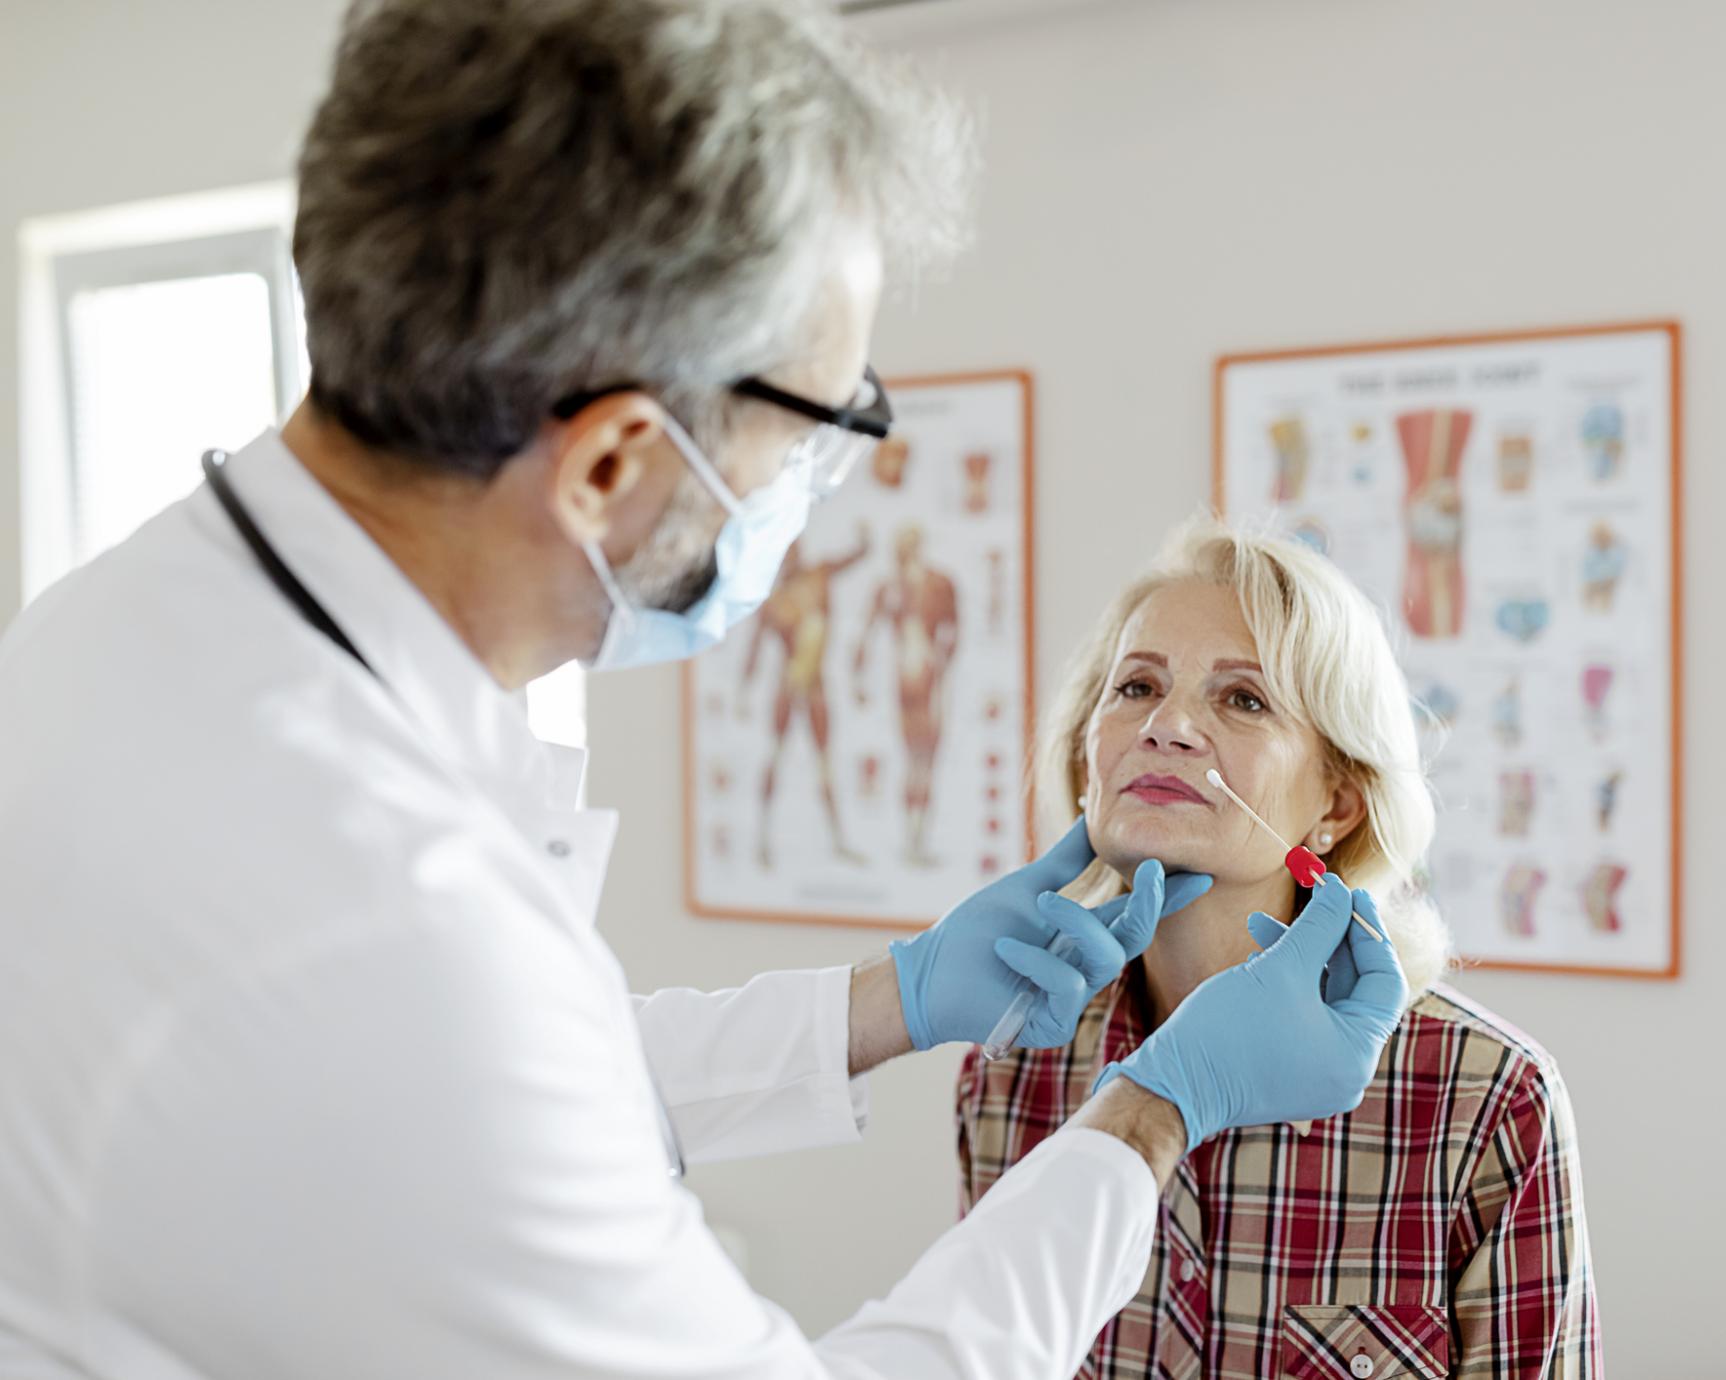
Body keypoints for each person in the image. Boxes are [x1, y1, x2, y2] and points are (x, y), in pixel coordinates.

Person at [0, 3, 1411, 1376]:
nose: (810, 489)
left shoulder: (114, 632)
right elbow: (463, 1064)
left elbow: (498, 1088)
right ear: (615, 461)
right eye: (817, 425)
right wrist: (1159, 1114)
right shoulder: (383, 927)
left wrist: (896, 1001)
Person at [958, 522, 1600, 1378]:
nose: (1167, 726)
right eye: (1137, 686)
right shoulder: (1008, 1070)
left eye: (1243, 699)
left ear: (1336, 805)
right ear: (1087, 762)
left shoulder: (1487, 1100)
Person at [743, 527, 872, 866]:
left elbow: (853, 557)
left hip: (814, 685)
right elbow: (753, 651)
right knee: (775, 755)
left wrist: (864, 541)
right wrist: (744, 692)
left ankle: (837, 840)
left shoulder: (818, 578)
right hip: (788, 685)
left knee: (824, 762)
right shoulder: (775, 603)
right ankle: (762, 838)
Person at [854, 522, 959, 864]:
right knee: (918, 760)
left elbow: (952, 631)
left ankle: (916, 840)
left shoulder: (937, 584)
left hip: (928, 676)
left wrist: (940, 664)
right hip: (912, 679)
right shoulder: (891, 588)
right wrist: (860, 679)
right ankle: (913, 841)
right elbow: (865, 636)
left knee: (924, 759)